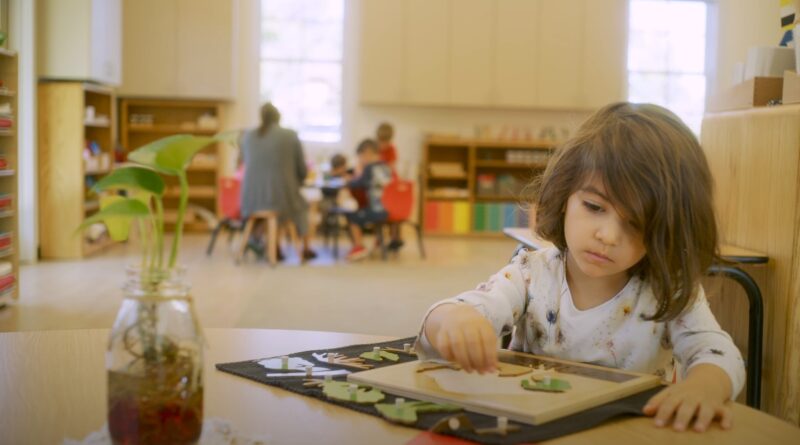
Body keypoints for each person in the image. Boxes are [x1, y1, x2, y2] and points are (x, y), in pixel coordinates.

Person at [416, 102, 745, 433]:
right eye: (594, 206)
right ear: (564, 196)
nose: (608, 235)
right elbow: (454, 316)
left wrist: (705, 386)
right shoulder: (530, 273)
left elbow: (719, 354)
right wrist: (453, 322)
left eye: (636, 223)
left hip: (627, 435)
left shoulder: (668, 291)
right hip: (534, 430)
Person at [240, 102, 316, 260]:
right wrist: (298, 180)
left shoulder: (248, 136)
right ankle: (306, 248)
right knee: (300, 206)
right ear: (279, 118)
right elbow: (302, 170)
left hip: (250, 200)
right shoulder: (289, 135)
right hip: (282, 199)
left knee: (276, 203)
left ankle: (272, 245)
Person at [345, 139, 393, 261]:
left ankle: (359, 246)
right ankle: (378, 241)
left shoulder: (369, 168)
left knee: (352, 216)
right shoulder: (386, 166)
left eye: (360, 156)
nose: (360, 159)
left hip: (377, 210)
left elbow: (358, 184)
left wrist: (348, 180)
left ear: (367, 153)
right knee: (363, 209)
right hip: (389, 208)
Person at [376, 122, 404, 251]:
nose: (384, 144)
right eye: (381, 141)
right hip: (379, 182)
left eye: (386, 141)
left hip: (391, 182)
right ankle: (381, 239)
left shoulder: (391, 149)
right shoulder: (374, 148)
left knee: (394, 211)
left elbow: (391, 166)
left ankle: (395, 238)